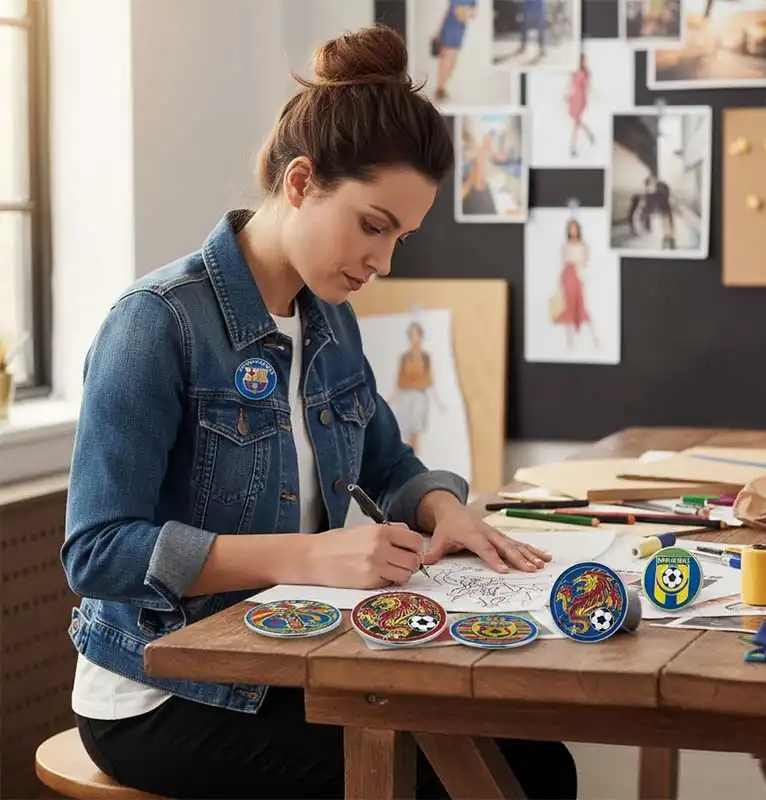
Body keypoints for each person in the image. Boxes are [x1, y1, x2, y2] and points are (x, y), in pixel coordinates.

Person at [61, 23, 578, 800]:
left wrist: (445, 511)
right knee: (452, 781)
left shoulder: (329, 319)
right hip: (160, 694)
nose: (383, 261)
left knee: (539, 764)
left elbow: (387, 461)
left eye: (401, 237)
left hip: (286, 653)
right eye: (373, 226)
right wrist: (304, 557)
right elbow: (97, 551)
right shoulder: (156, 322)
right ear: (300, 181)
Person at [389, 321, 446, 455]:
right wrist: (390, 399)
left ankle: (415, 461)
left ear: (421, 336)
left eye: (417, 334)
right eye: (412, 334)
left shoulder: (425, 357)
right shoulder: (404, 357)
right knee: (405, 431)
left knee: (416, 431)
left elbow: (429, 379)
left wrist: (439, 402)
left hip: (419, 396)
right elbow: (400, 379)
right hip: (405, 395)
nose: (415, 338)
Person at [552, 219, 599, 349]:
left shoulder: (583, 245)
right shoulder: (565, 245)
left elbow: (585, 261)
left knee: (580, 305)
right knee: (569, 307)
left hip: (578, 275)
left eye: (575, 228)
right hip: (568, 275)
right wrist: (559, 282)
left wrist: (579, 267)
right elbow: (562, 263)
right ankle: (569, 342)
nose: (573, 231)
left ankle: (595, 339)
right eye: (570, 228)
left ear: (578, 230)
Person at [432, 0, 477, 103]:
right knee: (446, 57)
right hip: (450, 26)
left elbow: (474, 13)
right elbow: (451, 11)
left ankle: (442, 86)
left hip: (460, 28)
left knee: (452, 59)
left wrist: (466, 13)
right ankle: (440, 88)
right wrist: (440, 30)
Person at [566, 52, 595, 157]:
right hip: (574, 96)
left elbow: (587, 86)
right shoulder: (575, 71)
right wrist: (568, 95)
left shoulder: (586, 72)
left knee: (576, 123)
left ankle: (573, 147)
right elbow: (570, 83)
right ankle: (590, 135)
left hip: (581, 97)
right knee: (577, 122)